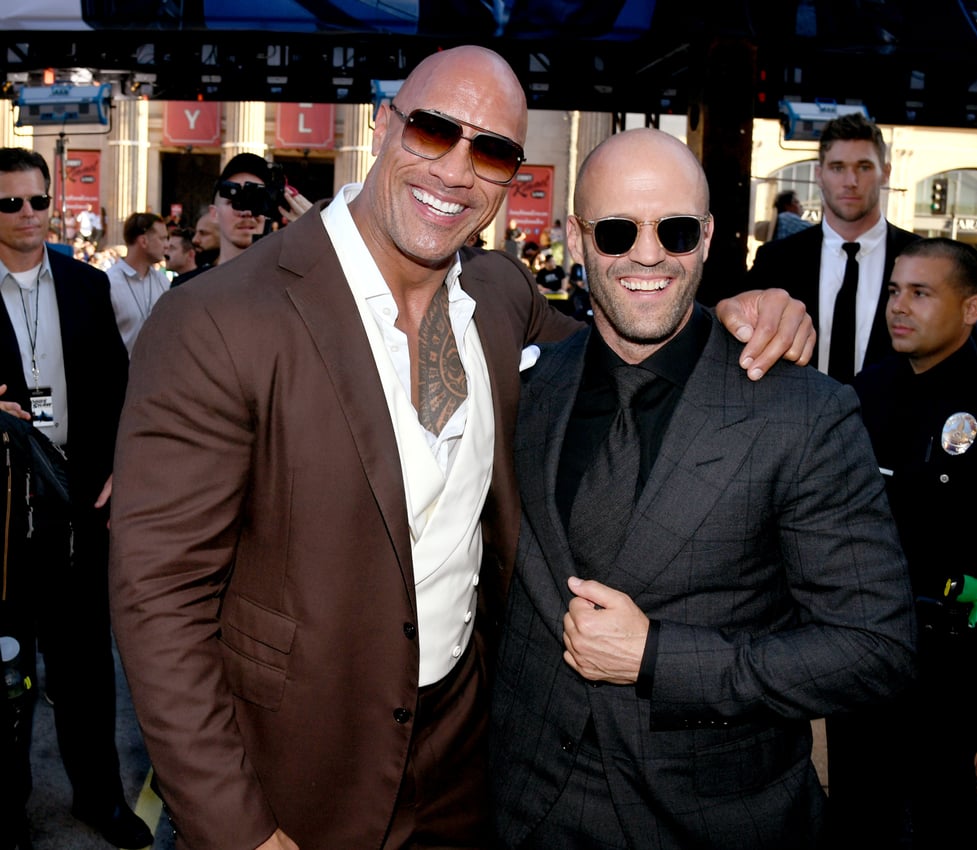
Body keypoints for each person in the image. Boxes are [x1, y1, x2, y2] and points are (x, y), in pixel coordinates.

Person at [108, 46, 815, 850]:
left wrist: (736, 315)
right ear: (383, 127)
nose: (455, 170)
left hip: (469, 752)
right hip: (294, 763)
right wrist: (240, 832)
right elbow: (158, 601)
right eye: (434, 131)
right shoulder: (219, 318)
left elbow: (631, 345)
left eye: (492, 150)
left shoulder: (499, 294)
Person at [489, 128, 916, 850]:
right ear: (576, 236)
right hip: (522, 812)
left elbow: (876, 648)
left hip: (710, 823)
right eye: (618, 230)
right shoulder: (526, 388)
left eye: (676, 231)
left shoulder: (803, 412)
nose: (648, 254)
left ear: (709, 237)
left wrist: (660, 659)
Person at [0, 147, 150, 849]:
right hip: (2, 514)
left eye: (37, 200)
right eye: (10, 203)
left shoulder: (89, 287)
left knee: (87, 666)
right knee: (4, 668)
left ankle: (100, 799)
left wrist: (122, 467)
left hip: (78, 510)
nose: (28, 215)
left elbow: (122, 390)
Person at [852, 238, 977, 850]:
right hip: (867, 679)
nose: (900, 306)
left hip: (961, 686)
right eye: (896, 290)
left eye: (921, 293)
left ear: (972, 309)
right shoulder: (866, 393)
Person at [746, 112, 919, 382]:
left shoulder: (921, 259)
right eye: (838, 167)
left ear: (885, 173)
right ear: (819, 174)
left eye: (864, 167)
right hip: (798, 418)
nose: (851, 181)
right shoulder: (777, 260)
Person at [105, 212, 169, 355]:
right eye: (162, 238)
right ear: (143, 241)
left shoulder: (162, 281)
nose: (167, 245)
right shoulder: (110, 283)